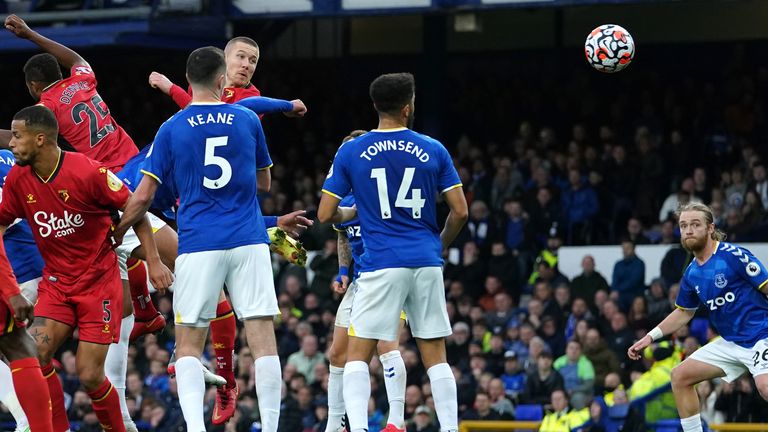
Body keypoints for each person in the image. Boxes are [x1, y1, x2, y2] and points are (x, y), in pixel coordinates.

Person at [114, 47, 281, 432]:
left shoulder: (172, 127)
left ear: (187, 82)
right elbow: (264, 182)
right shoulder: (246, 118)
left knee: (188, 344)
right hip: (248, 239)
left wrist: (119, 230)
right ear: (222, 80)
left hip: (198, 242)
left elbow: (142, 196)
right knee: (262, 336)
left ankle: (194, 427)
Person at [147, 38, 306, 423]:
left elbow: (223, 107)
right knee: (258, 329)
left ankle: (222, 378)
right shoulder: (240, 112)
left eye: (254, 59)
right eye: (241, 57)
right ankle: (233, 386)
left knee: (190, 331)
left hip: (202, 229)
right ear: (222, 66)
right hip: (237, 231)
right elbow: (260, 181)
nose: (247, 64)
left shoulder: (243, 103)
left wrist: (170, 88)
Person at [0, 105, 173, 432]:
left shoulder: (87, 172)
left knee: (90, 375)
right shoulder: (18, 180)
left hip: (98, 284)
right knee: (34, 356)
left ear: (40, 139)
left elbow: (137, 211)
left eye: (18, 136)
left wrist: (153, 261)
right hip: (57, 284)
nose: (11, 143)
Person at [318, 72, 468, 432]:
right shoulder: (433, 148)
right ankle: (449, 428)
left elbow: (325, 214)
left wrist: (349, 213)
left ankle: (356, 426)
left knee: (357, 355)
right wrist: (439, 244)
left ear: (375, 106)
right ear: (408, 107)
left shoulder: (352, 150)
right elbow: (460, 211)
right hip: (426, 261)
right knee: (436, 357)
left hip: (381, 263)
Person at [628, 201, 768, 432]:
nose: (688, 230)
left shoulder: (733, 256)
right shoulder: (692, 272)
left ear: (710, 228)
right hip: (731, 343)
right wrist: (649, 338)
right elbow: (684, 312)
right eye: (683, 226)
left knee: (764, 387)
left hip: (761, 335)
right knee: (680, 376)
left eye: (695, 224)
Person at [325, 129, 408, 432]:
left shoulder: (385, 190)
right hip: (359, 282)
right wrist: (344, 272)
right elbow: (344, 239)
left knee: (385, 345)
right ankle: (336, 424)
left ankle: (396, 422)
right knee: (337, 353)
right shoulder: (345, 198)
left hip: (389, 277)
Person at [3, 14, 138, 170]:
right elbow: (76, 60)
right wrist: (30, 34)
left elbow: (20, 139)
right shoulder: (82, 79)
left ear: (33, 85)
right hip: (135, 159)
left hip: (112, 175)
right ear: (59, 75)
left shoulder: (47, 107)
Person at [0, 148, 45, 432]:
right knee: (21, 347)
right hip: (34, 262)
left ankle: (29, 419)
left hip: (16, 269)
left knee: (18, 346)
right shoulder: (9, 157)